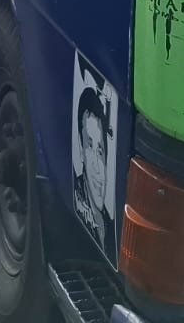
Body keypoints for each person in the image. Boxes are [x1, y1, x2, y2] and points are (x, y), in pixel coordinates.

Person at [73, 86, 116, 259]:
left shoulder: (111, 227)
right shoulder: (77, 196)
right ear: (80, 149)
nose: (98, 167)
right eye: (89, 147)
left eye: (100, 151)